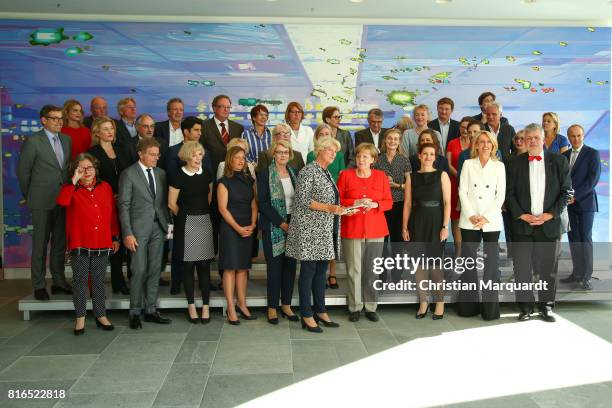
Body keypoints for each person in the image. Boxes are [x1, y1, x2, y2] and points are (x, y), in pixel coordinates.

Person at [505, 123, 572, 322]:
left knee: (548, 269)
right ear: (524, 141)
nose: (532, 141)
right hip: (522, 225)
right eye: (529, 138)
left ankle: (546, 306)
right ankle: (525, 307)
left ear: (543, 140)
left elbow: (567, 191)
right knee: (522, 268)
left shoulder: (559, 161)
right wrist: (521, 215)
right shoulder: (515, 163)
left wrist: (550, 214)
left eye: (536, 137)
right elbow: (508, 194)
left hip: (549, 225)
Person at [286, 136, 345, 333]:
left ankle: (320, 310)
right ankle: (306, 314)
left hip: (323, 229)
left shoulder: (325, 172)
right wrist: (330, 207)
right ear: (319, 150)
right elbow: (303, 200)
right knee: (309, 272)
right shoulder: (308, 170)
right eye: (330, 150)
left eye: (335, 151)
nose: (333, 153)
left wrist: (337, 209)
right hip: (308, 229)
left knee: (321, 272)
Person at [56, 153, 119, 335]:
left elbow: (112, 214)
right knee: (80, 281)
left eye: (90, 167)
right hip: (80, 242)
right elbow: (62, 202)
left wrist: (114, 237)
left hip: (102, 240)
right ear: (75, 170)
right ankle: (80, 318)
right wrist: (73, 181)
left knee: (98, 281)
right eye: (81, 168)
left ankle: (101, 315)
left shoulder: (105, 187)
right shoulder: (70, 189)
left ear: (95, 169)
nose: (87, 171)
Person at [17, 105, 72, 301]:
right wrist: (30, 195)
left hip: (62, 200)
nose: (59, 122)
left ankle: (58, 282)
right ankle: (39, 285)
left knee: (59, 244)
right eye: (55, 118)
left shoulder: (66, 140)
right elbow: (23, 172)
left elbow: (64, 171)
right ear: (43, 120)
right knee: (39, 245)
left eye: (61, 118)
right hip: (40, 200)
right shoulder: (33, 141)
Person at [118, 137, 172, 329]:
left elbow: (164, 204)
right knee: (139, 269)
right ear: (140, 153)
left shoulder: (161, 174)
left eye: (157, 155)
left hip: (159, 228)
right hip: (137, 231)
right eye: (152, 154)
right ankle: (134, 312)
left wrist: (169, 226)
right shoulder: (128, 174)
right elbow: (123, 206)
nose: (155, 158)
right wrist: (127, 233)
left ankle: (150, 310)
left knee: (155, 270)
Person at [338, 143, 392, 322]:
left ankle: (370, 306)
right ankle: (355, 307)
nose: (361, 160)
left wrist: (376, 204)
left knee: (372, 270)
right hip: (352, 228)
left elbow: (388, 202)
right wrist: (353, 202)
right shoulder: (345, 175)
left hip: (376, 229)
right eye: (359, 156)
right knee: (354, 270)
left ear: (373, 160)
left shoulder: (381, 176)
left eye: (365, 157)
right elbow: (339, 199)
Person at [456, 131, 506, 320]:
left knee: (491, 265)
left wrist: (486, 217)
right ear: (475, 145)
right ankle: (468, 308)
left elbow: (500, 195)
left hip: (491, 220)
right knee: (469, 264)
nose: (485, 145)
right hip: (469, 219)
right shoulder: (468, 164)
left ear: (494, 145)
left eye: (489, 142)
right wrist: (472, 215)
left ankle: (490, 311)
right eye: (482, 142)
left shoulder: (499, 166)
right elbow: (462, 191)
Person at [402, 142, 451, 320]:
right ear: (419, 156)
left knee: (436, 267)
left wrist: (445, 226)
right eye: (425, 154)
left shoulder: (442, 175)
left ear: (435, 157)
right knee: (420, 267)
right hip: (417, 222)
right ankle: (424, 302)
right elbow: (407, 204)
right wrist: (404, 226)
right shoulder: (411, 177)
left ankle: (439, 302)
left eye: (432, 154)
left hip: (436, 222)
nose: (428, 157)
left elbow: (447, 203)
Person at [168, 141, 215, 323]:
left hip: (204, 221)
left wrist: (198, 214)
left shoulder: (207, 174)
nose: (198, 158)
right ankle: (191, 306)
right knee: (188, 266)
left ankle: (205, 306)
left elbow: (209, 197)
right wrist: (186, 217)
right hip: (186, 223)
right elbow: (172, 203)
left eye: (200, 154)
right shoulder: (177, 175)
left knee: (204, 266)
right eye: (194, 155)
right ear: (187, 156)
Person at [88, 117, 131, 295]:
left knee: (123, 241)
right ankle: (108, 282)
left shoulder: (122, 149)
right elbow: (91, 179)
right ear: (97, 132)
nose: (110, 132)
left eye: (111, 128)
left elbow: (130, 174)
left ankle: (121, 281)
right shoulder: (92, 152)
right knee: (110, 242)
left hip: (124, 202)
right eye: (105, 129)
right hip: (103, 204)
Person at [257, 140, 299, 324]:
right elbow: (263, 203)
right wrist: (282, 224)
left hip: (293, 223)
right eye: (279, 152)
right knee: (275, 269)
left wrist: (292, 223)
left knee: (290, 267)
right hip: (274, 225)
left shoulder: (293, 173)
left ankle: (287, 305)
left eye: (286, 152)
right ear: (273, 154)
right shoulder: (265, 174)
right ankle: (272, 307)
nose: (282, 155)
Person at [217, 146, 258, 324]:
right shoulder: (223, 182)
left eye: (243, 158)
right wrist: (238, 228)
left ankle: (242, 304)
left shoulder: (249, 180)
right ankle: (231, 307)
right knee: (230, 267)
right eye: (237, 158)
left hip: (247, 227)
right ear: (229, 160)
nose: (241, 161)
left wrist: (253, 224)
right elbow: (222, 209)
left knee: (243, 268)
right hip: (230, 228)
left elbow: (254, 205)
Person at [561, 124, 601, 290]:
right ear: (568, 137)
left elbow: (592, 180)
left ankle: (586, 277)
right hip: (569, 205)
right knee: (574, 239)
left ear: (583, 136)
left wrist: (575, 197)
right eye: (572, 136)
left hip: (585, 204)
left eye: (578, 135)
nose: (575, 139)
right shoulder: (565, 155)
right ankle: (576, 273)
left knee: (585, 239)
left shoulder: (592, 153)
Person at [306, 124, 346, 289]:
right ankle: (318, 280)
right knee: (317, 257)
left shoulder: (337, 157)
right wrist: (328, 205)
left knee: (332, 240)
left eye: (328, 134)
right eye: (321, 135)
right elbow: (305, 199)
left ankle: (332, 274)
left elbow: (342, 175)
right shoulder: (311, 162)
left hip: (335, 198)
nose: (325, 137)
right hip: (319, 208)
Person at [373, 128, 411, 244]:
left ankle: (396, 261)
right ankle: (382, 260)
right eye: (390, 138)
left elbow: (410, 186)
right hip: (382, 204)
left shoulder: (404, 160)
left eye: (395, 139)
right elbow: (372, 182)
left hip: (399, 203)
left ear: (399, 141)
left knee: (397, 238)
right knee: (381, 238)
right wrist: (383, 182)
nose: (392, 141)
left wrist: (396, 185)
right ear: (385, 140)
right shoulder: (377, 160)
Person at [445, 116, 473, 256]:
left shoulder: (476, 144)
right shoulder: (452, 143)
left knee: (470, 217)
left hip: (472, 187)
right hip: (454, 183)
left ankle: (470, 251)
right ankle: (458, 252)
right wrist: (460, 176)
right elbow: (448, 164)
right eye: (462, 127)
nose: (465, 130)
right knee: (456, 220)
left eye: (467, 127)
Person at [201, 94, 245, 174]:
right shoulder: (203, 126)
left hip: (234, 173)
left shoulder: (238, 128)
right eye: (222, 107)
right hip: (211, 172)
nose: (226, 110)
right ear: (214, 108)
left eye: (228, 107)